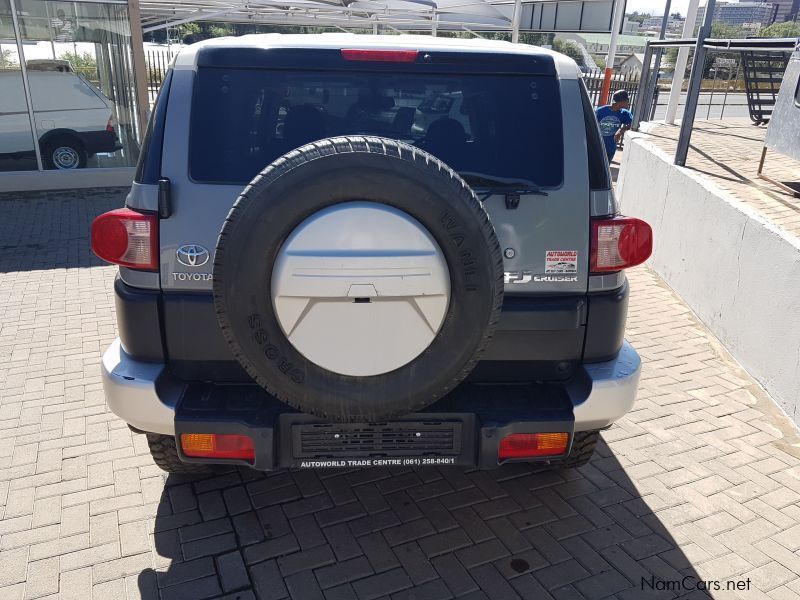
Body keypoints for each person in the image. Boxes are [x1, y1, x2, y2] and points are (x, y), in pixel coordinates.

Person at [595, 90, 633, 162]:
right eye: (627, 100)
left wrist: (621, 130)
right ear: (622, 101)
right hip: (596, 148)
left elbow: (634, 124)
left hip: (610, 148)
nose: (628, 103)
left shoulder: (624, 113)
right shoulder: (601, 111)